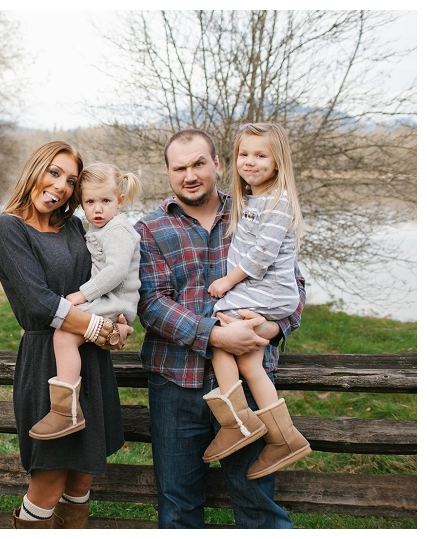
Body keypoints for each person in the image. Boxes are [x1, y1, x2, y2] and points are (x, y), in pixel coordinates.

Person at [135, 128, 306, 528]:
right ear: (168, 172)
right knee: (178, 505)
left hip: (249, 382)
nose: (190, 175)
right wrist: (213, 334)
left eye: (199, 163)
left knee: (256, 503)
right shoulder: (150, 229)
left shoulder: (257, 207)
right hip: (176, 383)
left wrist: (271, 328)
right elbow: (152, 303)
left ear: (217, 164)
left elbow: (293, 285)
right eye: (180, 168)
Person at [0, 141, 133, 529]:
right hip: (47, 363)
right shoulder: (8, 228)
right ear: (35, 169)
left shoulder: (74, 226)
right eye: (54, 172)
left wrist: (116, 316)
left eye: (71, 180)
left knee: (82, 476)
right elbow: (38, 303)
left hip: (91, 359)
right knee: (50, 480)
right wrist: (97, 328)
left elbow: (102, 274)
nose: (62, 186)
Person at [203, 123, 311, 476]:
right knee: (250, 361)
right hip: (263, 292)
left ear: (278, 162)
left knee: (220, 335)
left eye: (261, 155)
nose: (250, 161)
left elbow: (262, 254)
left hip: (269, 291)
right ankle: (284, 438)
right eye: (244, 154)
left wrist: (226, 282)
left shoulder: (277, 200)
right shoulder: (252, 199)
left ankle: (237, 422)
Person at [30, 163, 142, 440]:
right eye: (90, 202)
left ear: (120, 201)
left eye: (105, 201)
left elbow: (115, 271)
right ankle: (112, 335)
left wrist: (82, 295)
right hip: (110, 300)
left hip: (115, 300)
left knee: (65, 335)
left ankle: (65, 411)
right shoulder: (98, 229)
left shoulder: (118, 230)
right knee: (68, 332)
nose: (98, 209)